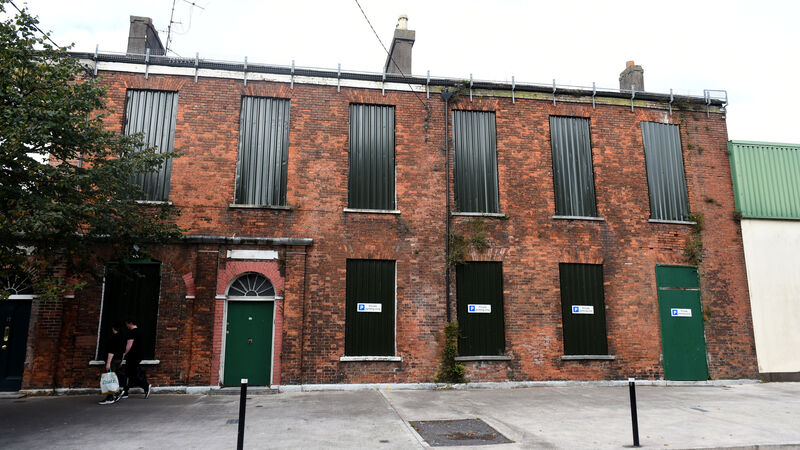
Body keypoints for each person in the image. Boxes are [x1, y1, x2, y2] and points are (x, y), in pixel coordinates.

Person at [120, 317, 152, 399]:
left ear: (130, 323)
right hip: (139, 355)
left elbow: (129, 345)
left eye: (127, 324)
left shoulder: (132, 332)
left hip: (132, 355)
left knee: (132, 373)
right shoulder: (141, 332)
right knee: (128, 373)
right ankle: (125, 391)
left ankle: (145, 386)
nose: (126, 326)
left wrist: (123, 354)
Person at [98, 322, 126, 405]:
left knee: (109, 378)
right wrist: (121, 361)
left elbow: (111, 351)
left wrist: (108, 363)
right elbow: (123, 351)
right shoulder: (122, 338)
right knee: (113, 377)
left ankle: (110, 397)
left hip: (113, 360)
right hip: (118, 359)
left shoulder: (114, 337)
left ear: (114, 329)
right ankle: (117, 392)